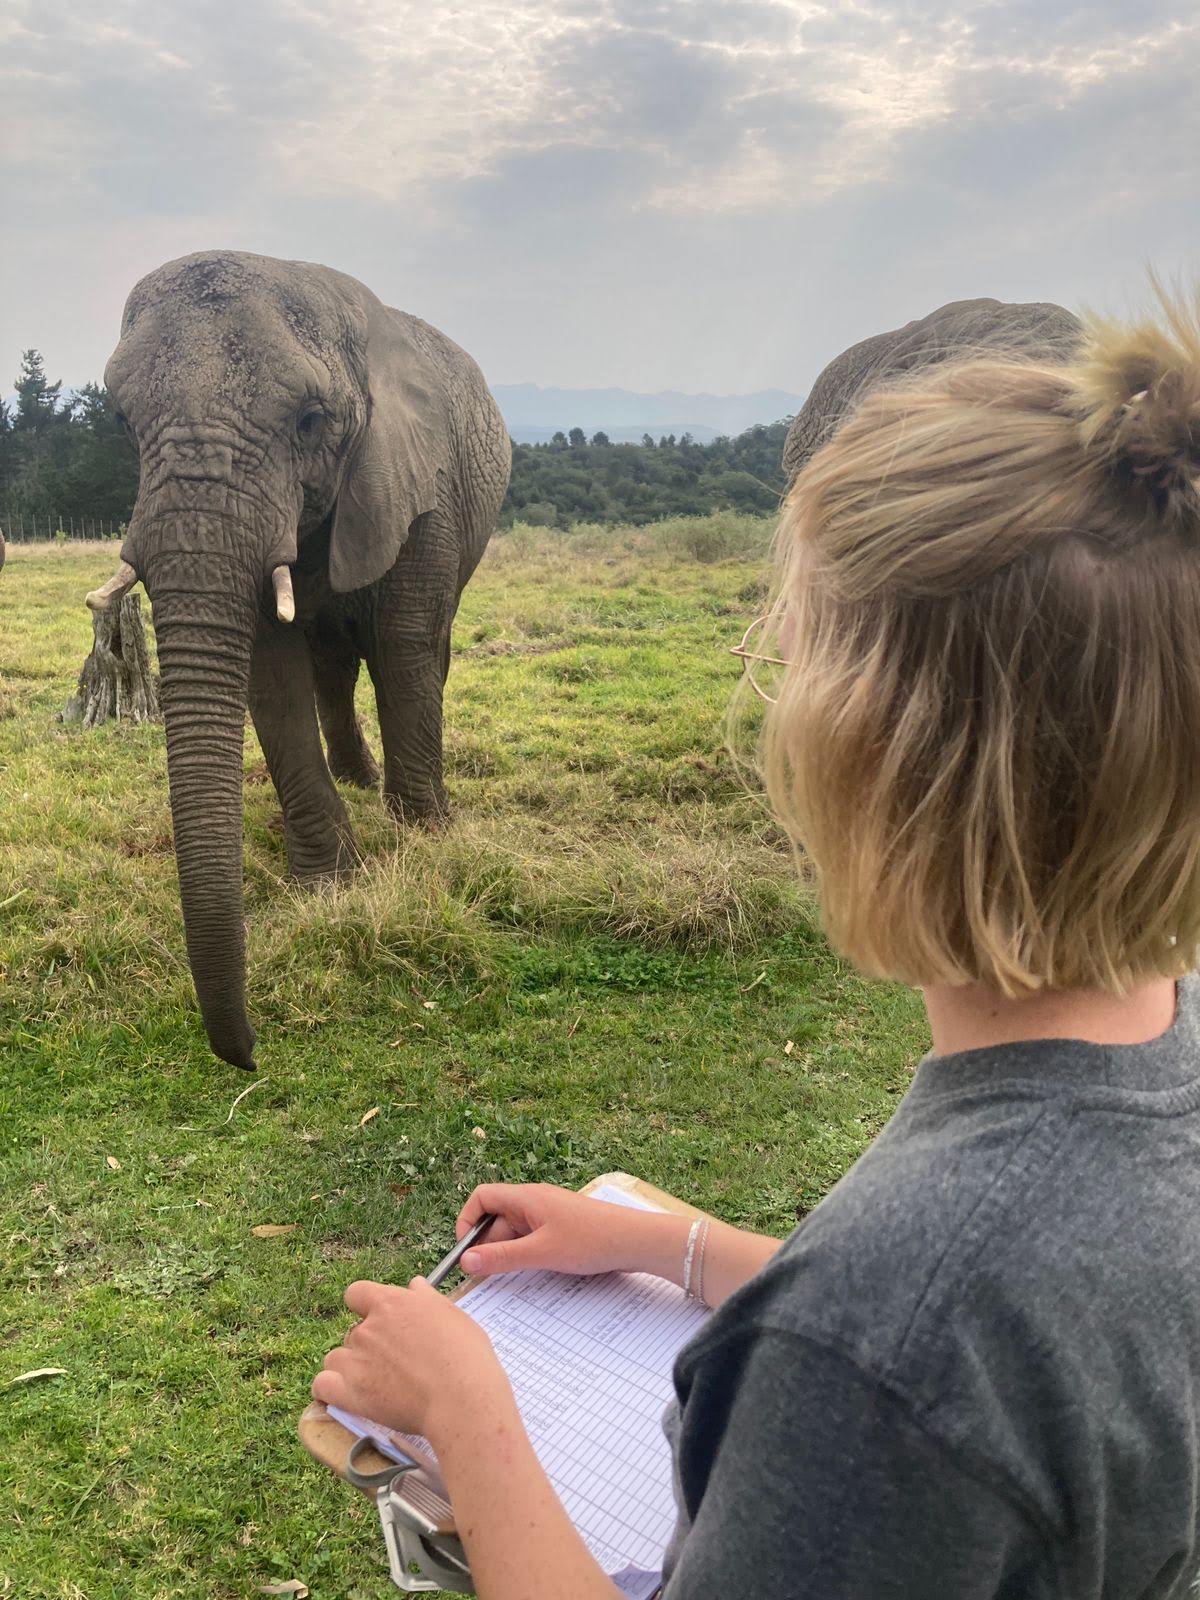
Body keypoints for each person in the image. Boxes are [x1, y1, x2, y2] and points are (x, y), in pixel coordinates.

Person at [312, 293, 1200, 1597]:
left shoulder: (877, 1339)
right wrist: (677, 1251)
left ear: (880, 767)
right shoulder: (1159, 1063)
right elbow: (1020, 1334)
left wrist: (468, 1416)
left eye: (794, 673)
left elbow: (915, 1345)